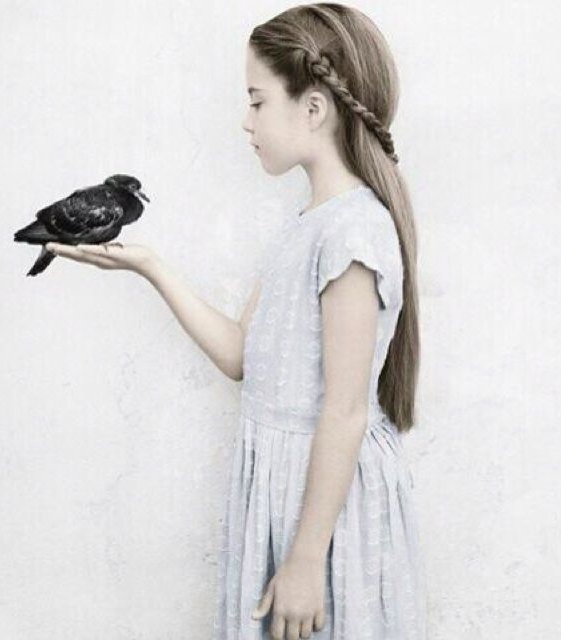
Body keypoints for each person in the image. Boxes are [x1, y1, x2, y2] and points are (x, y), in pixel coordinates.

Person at [46, 3, 426, 638]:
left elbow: (344, 410)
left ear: (313, 108)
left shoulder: (352, 232)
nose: (246, 121)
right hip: (287, 497)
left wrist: (306, 559)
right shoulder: (306, 227)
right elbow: (242, 356)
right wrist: (149, 266)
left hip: (324, 514)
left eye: (256, 101)